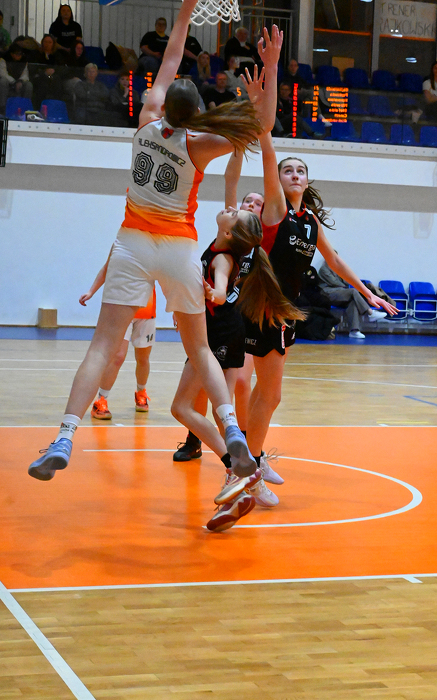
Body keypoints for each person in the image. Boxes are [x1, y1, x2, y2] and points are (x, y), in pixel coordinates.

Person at [27, 0, 265, 486]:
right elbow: (259, 124)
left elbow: (172, 55)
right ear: (196, 115)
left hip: (132, 242)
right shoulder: (201, 145)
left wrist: (185, 12)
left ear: (162, 103)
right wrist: (265, 85)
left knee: (101, 346)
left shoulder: (145, 121)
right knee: (200, 350)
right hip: (178, 248)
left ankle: (65, 436)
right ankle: (232, 431)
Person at [239, 64, 398, 499]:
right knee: (262, 393)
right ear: (278, 179)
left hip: (285, 312)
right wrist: (261, 106)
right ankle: (246, 469)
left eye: (300, 171)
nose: (293, 174)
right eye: (287, 170)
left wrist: (367, 294)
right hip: (262, 307)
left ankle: (249, 460)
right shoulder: (276, 210)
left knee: (267, 394)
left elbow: (335, 259)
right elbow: (267, 148)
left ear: (307, 180)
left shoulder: (309, 220)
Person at [171, 170, 303, 531]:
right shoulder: (227, 243)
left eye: (237, 211)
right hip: (217, 332)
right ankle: (239, 471)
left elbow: (218, 291)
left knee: (204, 408)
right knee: (203, 409)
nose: (231, 209)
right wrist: (236, 151)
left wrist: (204, 291)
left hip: (219, 334)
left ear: (232, 231)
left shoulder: (224, 258)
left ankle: (238, 468)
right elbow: (231, 182)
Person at [79, 251, 156, 419]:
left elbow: (167, 279)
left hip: (146, 311)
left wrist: (176, 309)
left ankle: (141, 392)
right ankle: (101, 400)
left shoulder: (157, 246)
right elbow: (107, 268)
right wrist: (91, 291)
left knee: (143, 358)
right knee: (118, 357)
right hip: (123, 309)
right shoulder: (121, 244)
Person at [318, 258, 388, 339]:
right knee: (353, 291)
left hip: (339, 293)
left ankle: (354, 331)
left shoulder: (337, 269)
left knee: (353, 302)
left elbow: (347, 281)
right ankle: (370, 312)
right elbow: (335, 283)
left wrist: (344, 274)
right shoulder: (324, 269)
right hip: (328, 294)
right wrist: (344, 281)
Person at [31, 34, 64, 110]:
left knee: (57, 82)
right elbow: (34, 68)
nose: (47, 44)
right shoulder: (37, 54)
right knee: (42, 84)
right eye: (45, 42)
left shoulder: (57, 55)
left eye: (50, 42)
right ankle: (39, 108)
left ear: (53, 44)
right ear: (42, 43)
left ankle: (55, 108)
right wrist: (44, 72)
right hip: (41, 78)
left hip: (54, 78)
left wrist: (53, 71)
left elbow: (62, 68)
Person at [0, 42, 33, 112]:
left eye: (20, 54)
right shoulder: (4, 59)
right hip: (8, 82)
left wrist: (20, 81)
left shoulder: (24, 61)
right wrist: (14, 82)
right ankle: (2, 107)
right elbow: (3, 73)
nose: (19, 56)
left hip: (19, 83)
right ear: (11, 54)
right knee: (3, 81)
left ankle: (25, 107)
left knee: (28, 85)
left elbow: (25, 74)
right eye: (17, 54)